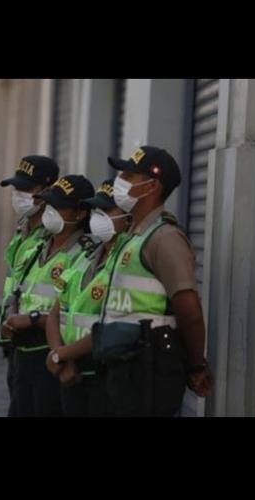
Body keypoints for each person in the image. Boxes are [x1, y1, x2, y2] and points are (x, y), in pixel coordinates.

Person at [95, 146, 214, 417]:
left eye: (129, 175)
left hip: (148, 366)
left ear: (152, 186)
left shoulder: (164, 238)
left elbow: (189, 311)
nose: (119, 181)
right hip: (123, 364)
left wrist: (196, 366)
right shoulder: (133, 236)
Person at [1, 174, 95, 417]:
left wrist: (33, 319)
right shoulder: (37, 247)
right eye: (49, 205)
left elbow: (73, 312)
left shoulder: (84, 254)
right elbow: (18, 290)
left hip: (52, 354)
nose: (49, 212)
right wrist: (12, 316)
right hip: (22, 354)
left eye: (58, 207)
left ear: (80, 214)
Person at [44, 179, 131, 416]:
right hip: (70, 373)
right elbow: (56, 311)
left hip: (102, 375)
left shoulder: (127, 261)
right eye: (96, 210)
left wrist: (61, 354)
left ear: (128, 217)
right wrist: (60, 355)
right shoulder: (86, 255)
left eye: (106, 210)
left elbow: (113, 326)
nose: (98, 216)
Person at [0, 155, 59, 416]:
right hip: (18, 343)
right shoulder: (24, 228)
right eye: (16, 188)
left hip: (44, 343)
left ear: (46, 192)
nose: (18, 195)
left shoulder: (56, 233)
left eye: (26, 189)